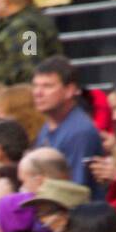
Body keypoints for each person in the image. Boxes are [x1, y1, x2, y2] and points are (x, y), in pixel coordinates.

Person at [32, 57, 104, 193]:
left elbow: (74, 190)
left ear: (69, 90)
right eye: (35, 85)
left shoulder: (79, 132)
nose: (38, 93)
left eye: (47, 86)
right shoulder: (47, 126)